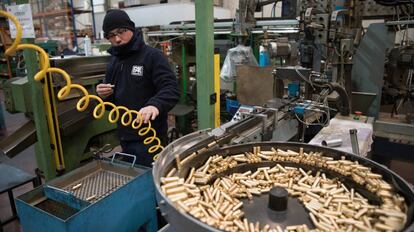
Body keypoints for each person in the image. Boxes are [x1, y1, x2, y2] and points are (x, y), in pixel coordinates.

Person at [96, 9, 179, 167]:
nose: (118, 39)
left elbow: (171, 88)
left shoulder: (152, 56)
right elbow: (113, 100)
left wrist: (154, 104)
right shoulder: (114, 61)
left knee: (151, 179)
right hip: (125, 137)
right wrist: (103, 94)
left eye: (121, 32)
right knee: (134, 178)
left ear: (131, 29)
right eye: (111, 35)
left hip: (149, 136)